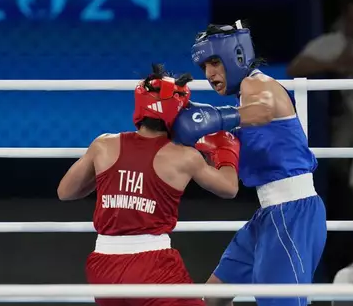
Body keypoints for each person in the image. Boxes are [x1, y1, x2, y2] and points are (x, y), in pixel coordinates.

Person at [57, 64, 240, 306]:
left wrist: (109, 178)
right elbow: (229, 188)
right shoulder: (184, 157)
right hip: (152, 266)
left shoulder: (103, 145)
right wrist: (225, 149)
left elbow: (65, 192)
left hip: (102, 267)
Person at [173, 22, 327, 306]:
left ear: (238, 56)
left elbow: (264, 109)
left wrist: (215, 119)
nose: (209, 73)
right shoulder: (242, 101)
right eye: (205, 66)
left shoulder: (255, 84)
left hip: (291, 213)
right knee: (214, 297)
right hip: (267, 215)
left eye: (215, 62)